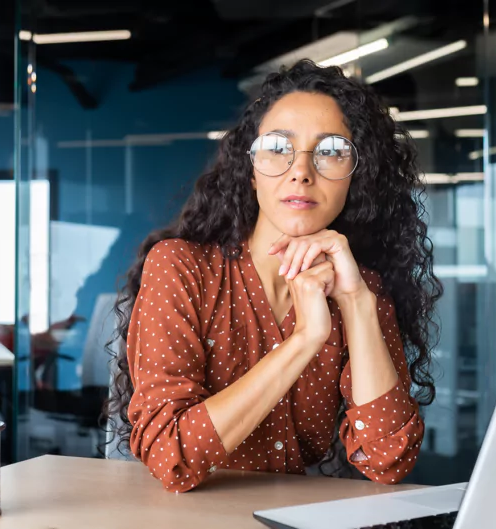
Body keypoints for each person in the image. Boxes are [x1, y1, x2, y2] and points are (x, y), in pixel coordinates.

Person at [104, 60, 442, 493]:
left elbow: (388, 461)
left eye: (331, 151)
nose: (301, 171)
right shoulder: (180, 267)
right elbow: (171, 455)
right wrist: (304, 341)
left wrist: (357, 303)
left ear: (356, 179)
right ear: (251, 170)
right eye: (278, 148)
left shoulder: (360, 287)